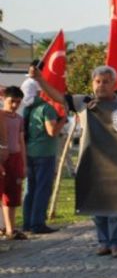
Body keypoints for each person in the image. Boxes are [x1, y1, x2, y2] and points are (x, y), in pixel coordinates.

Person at [33, 65, 117, 256]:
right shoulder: (83, 102)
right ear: (92, 83)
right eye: (98, 81)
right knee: (96, 205)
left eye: (106, 81)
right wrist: (40, 80)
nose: (101, 85)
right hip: (90, 162)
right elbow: (58, 97)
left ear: (114, 84)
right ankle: (103, 242)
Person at [22, 79, 66, 234]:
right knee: (42, 189)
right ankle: (38, 224)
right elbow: (52, 131)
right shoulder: (46, 108)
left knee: (30, 189)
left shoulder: (27, 109)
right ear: (40, 92)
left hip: (29, 152)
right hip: (45, 153)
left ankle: (27, 223)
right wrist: (63, 120)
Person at [1, 86, 26, 240]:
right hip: (2, 157)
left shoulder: (19, 119)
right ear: (4, 99)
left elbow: (21, 141)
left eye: (18, 102)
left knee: (13, 195)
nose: (15, 105)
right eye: (12, 101)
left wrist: (24, 163)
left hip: (15, 158)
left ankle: (11, 228)